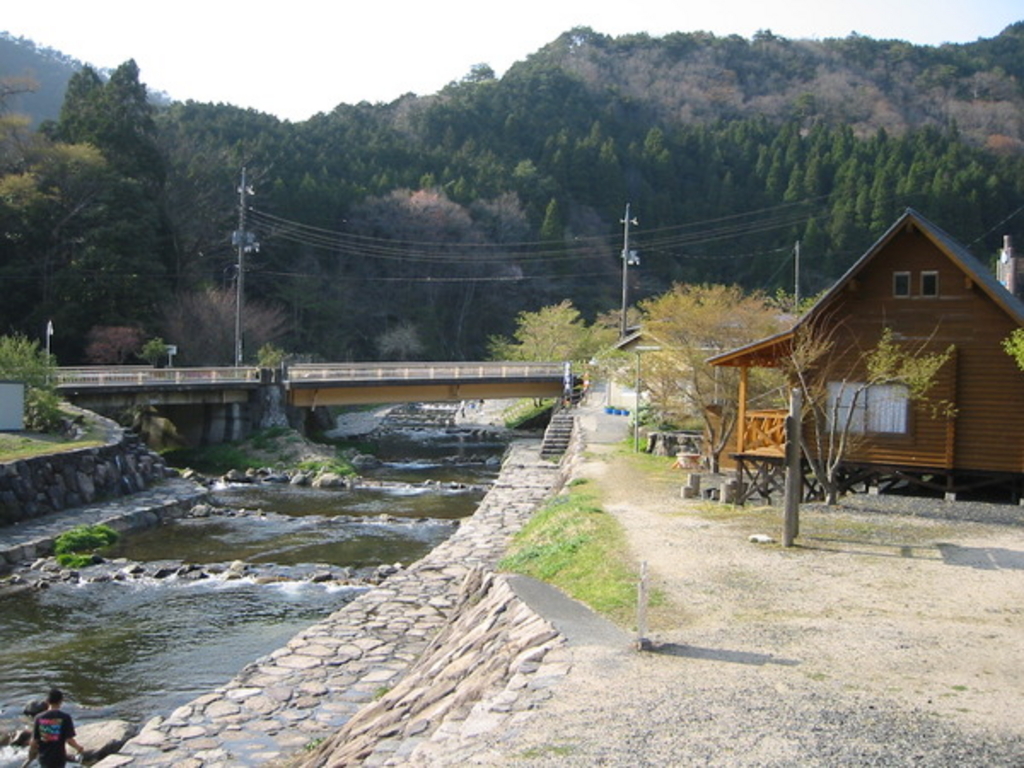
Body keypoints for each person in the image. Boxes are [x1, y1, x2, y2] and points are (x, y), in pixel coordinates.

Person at [22, 689, 85, 768]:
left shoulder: (39, 718)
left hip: (44, 758)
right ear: (61, 701)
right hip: (59, 758)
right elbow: (69, 740)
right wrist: (79, 748)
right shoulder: (65, 717)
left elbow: (34, 742)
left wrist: (30, 756)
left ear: (47, 701)